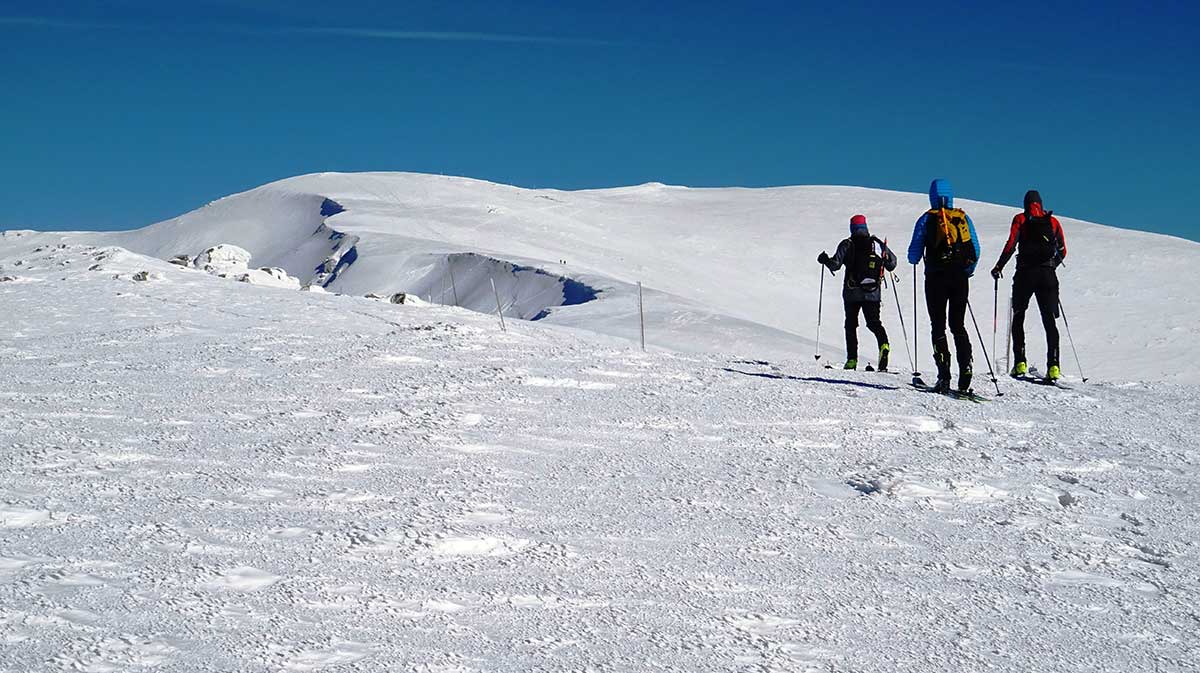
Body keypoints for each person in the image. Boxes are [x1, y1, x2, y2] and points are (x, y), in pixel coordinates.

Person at [907, 179, 981, 392]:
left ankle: (944, 375)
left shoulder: (926, 219)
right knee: (958, 325)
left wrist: (918, 259)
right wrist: (968, 270)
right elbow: (975, 249)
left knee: (938, 325)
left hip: (935, 278)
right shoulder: (962, 217)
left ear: (931, 195)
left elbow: (913, 254)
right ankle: (966, 367)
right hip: (959, 277)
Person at [991, 190, 1067, 380]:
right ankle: (1054, 366)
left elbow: (1011, 244)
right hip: (1047, 275)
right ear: (1041, 204)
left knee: (1018, 316)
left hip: (1025, 273)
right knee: (1049, 320)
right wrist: (1051, 266)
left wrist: (999, 266)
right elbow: (1063, 250)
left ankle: (1020, 362)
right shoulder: (1053, 222)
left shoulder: (1020, 219)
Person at [818, 214, 898, 370]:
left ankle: (852, 360)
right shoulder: (877, 243)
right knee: (874, 323)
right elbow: (892, 263)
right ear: (865, 226)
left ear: (852, 228)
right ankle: (884, 345)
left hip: (851, 292)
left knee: (851, 324)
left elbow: (835, 265)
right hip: (873, 292)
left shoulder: (847, 244)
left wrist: (824, 260)